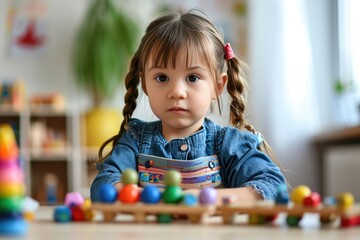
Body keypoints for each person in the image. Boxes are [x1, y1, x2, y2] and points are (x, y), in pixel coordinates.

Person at [90, 9, 287, 203]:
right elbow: (104, 185)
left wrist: (203, 199)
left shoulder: (228, 145)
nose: (177, 91)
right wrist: (153, 199)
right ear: (145, 84)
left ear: (218, 86)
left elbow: (272, 186)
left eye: (192, 77)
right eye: (161, 77)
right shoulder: (134, 140)